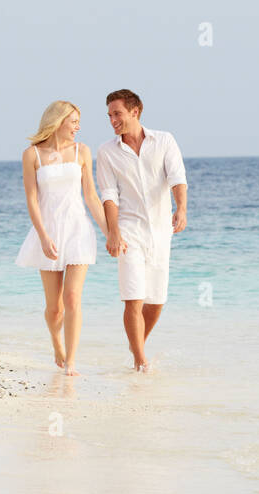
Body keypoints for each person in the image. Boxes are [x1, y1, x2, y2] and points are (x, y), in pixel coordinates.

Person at [95, 89, 188, 372]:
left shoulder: (164, 141)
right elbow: (108, 195)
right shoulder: (107, 152)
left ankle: (137, 346)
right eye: (110, 115)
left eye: (117, 114)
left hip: (160, 233)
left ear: (135, 111)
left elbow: (177, 177)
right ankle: (140, 361)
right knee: (133, 297)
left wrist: (181, 208)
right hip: (129, 230)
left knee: (156, 301)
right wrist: (113, 232)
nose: (112, 120)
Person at [15, 101, 109, 376]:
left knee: (72, 298)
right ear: (58, 121)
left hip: (78, 230)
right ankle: (57, 343)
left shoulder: (82, 151)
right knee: (54, 309)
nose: (78, 127)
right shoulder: (32, 155)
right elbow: (32, 199)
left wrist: (109, 233)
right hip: (48, 232)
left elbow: (91, 196)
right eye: (74, 121)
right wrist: (43, 236)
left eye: (79, 122)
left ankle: (71, 362)